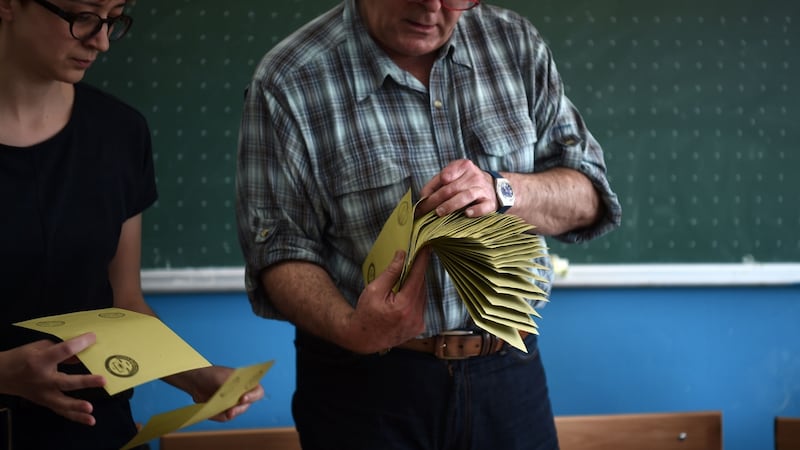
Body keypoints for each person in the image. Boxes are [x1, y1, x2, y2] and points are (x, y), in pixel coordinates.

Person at [236, 0, 621, 449]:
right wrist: (350, 327)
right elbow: (278, 249)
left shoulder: (513, 42)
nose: (433, 9)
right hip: (364, 386)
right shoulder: (289, 78)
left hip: (508, 370)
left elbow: (590, 196)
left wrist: (504, 191)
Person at [0, 0, 264, 449]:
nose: (101, 41)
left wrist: (195, 375)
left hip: (97, 431)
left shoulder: (119, 133)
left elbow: (124, 302)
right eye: (83, 16)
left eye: (113, 19)